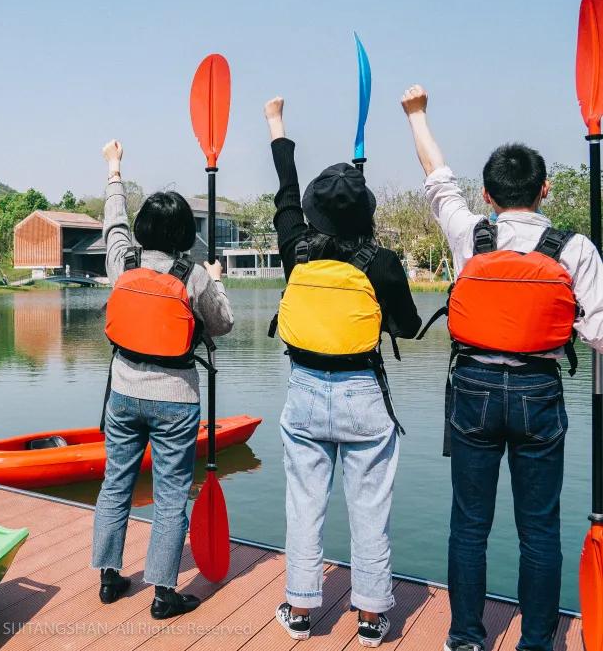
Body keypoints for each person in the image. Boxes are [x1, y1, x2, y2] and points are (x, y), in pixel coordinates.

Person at [401, 85, 603, 651]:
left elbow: (437, 177)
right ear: (545, 189)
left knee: (470, 525)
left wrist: (417, 115)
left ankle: (465, 638)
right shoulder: (576, 248)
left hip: (474, 388)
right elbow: (598, 333)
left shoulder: (471, 233)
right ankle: (537, 642)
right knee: (539, 529)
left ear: (487, 194)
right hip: (539, 391)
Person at [264, 97, 421, 647]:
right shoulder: (380, 262)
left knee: (304, 506)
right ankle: (373, 618)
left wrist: (277, 125)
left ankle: (301, 610)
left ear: (313, 214)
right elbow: (406, 327)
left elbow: (286, 193)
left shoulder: (294, 249)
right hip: (362, 394)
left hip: (304, 392)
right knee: (369, 510)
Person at [93, 139, 234, 620]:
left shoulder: (122, 263)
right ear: (183, 235)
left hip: (124, 392)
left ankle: (109, 578)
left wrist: (114, 170)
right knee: (172, 493)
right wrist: (214, 278)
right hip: (175, 398)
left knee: (116, 483)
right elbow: (222, 324)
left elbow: (113, 221)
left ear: (143, 229)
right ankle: (163, 593)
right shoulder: (190, 273)